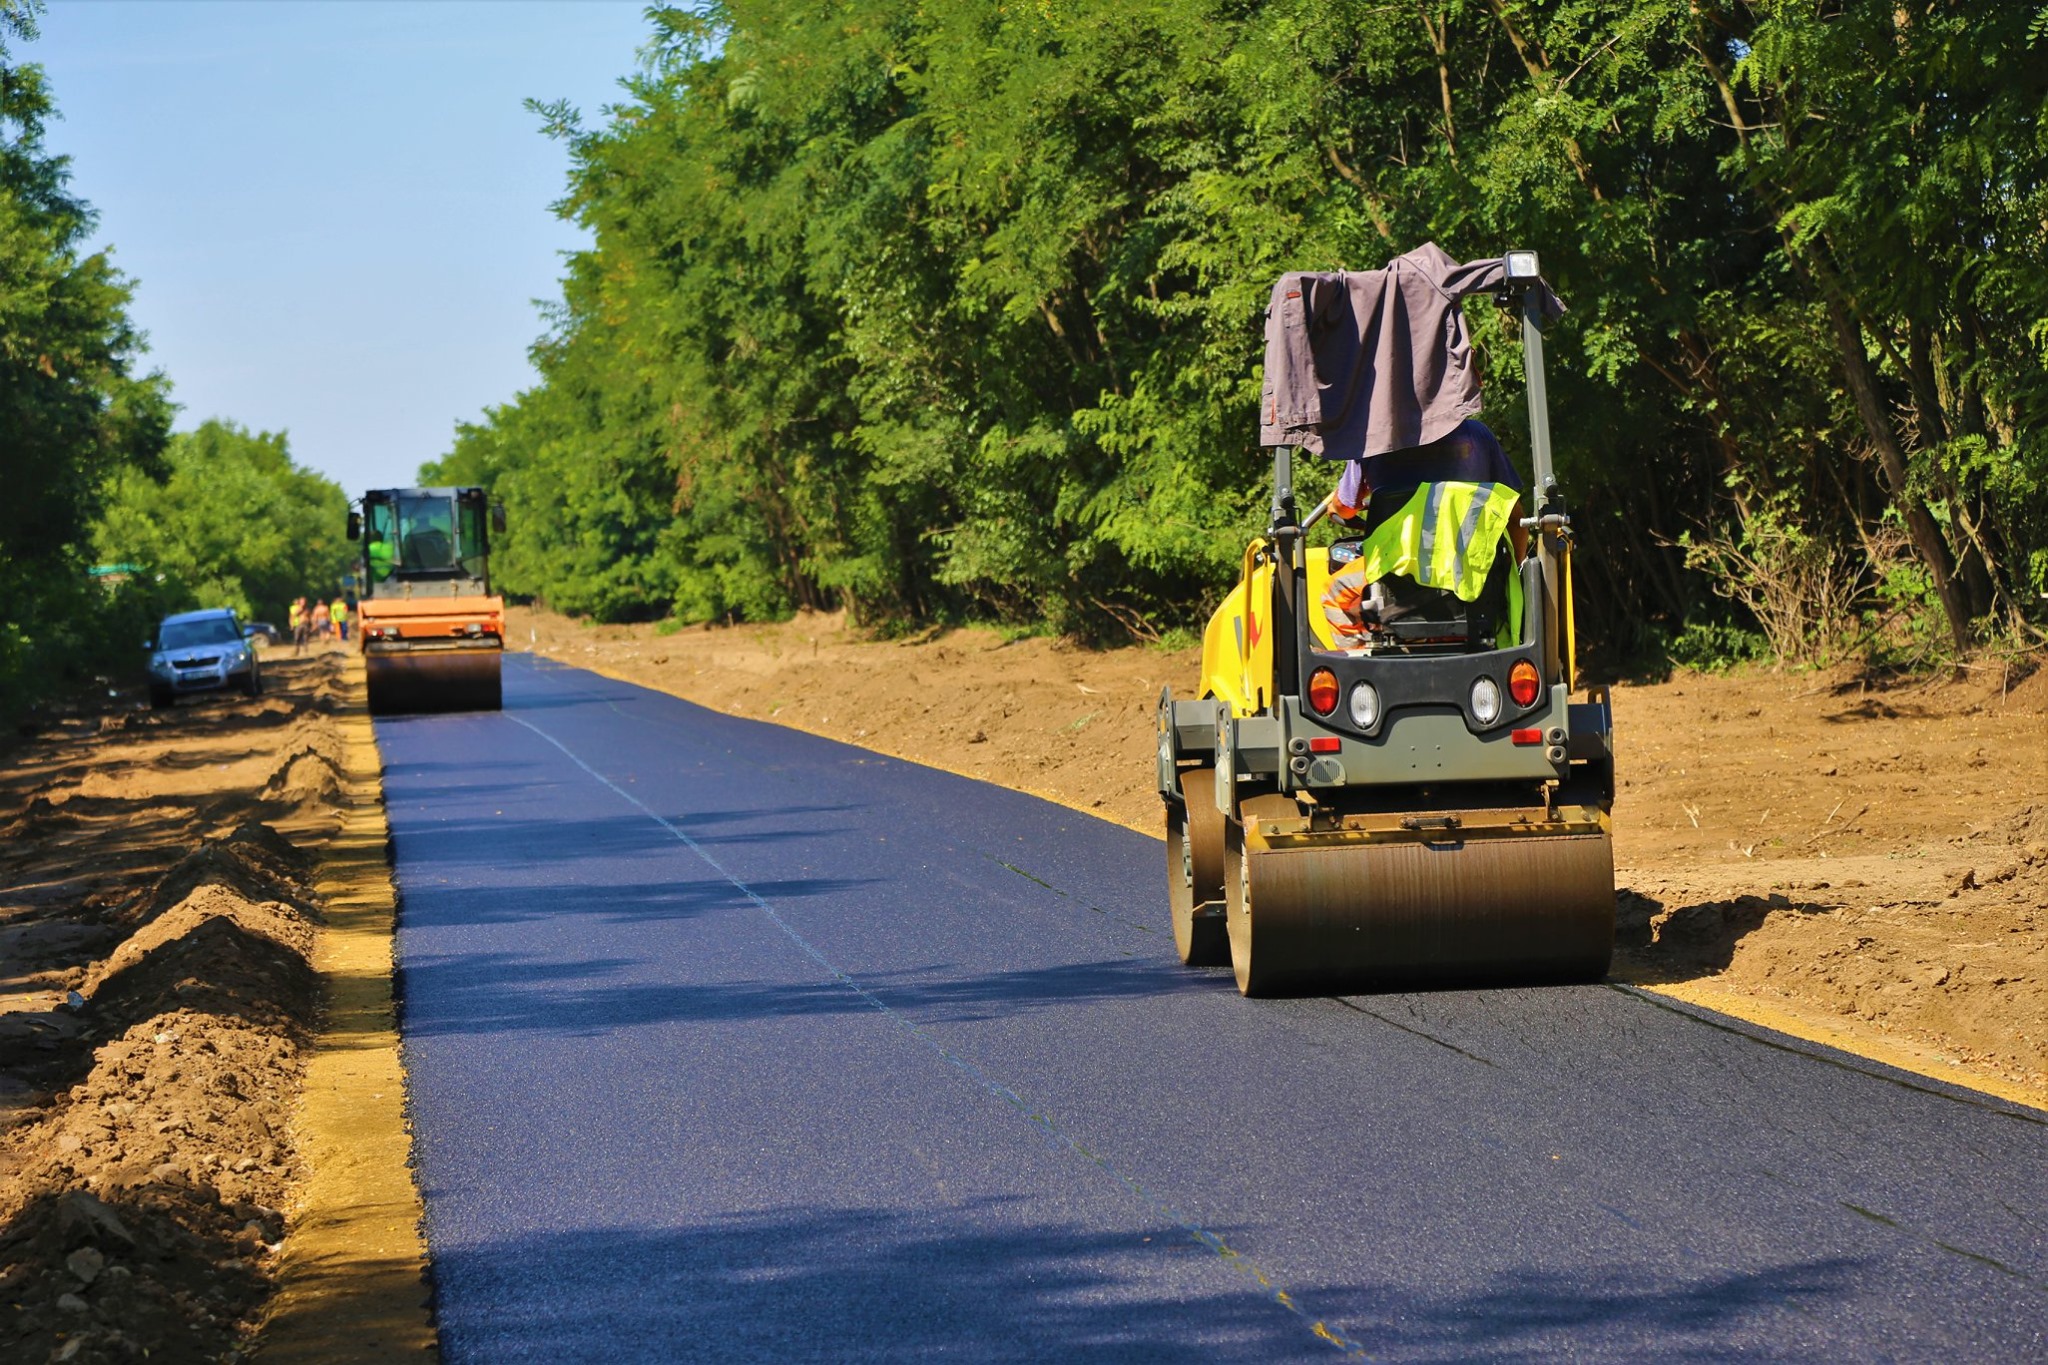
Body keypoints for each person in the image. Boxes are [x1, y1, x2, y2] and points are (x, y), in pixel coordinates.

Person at [1320, 418, 1529, 648]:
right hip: (1468, 567)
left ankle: (1360, 660)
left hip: (1397, 564)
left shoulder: (1372, 438)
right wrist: (1513, 566)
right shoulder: (1477, 434)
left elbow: (1344, 508)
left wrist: (1340, 505)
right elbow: (1513, 510)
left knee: (1334, 591)